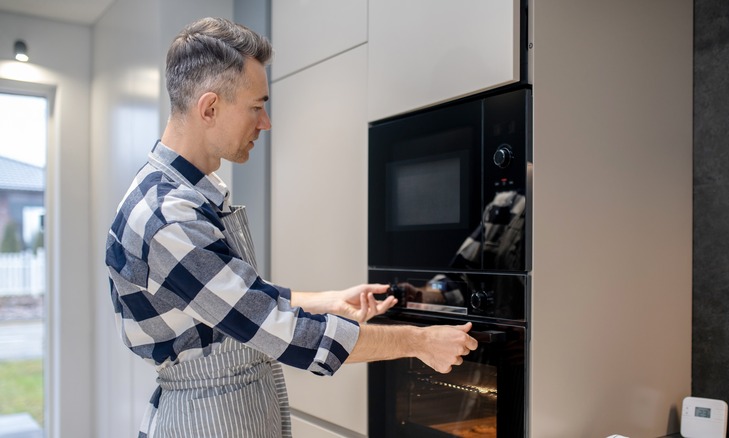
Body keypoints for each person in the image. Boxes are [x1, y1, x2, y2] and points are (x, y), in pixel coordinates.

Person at [105, 16, 478, 438]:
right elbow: (278, 329)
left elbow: (242, 298)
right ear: (209, 108)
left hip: (227, 407)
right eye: (256, 106)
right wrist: (419, 342)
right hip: (209, 420)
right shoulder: (167, 217)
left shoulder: (183, 195)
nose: (265, 123)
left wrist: (333, 301)